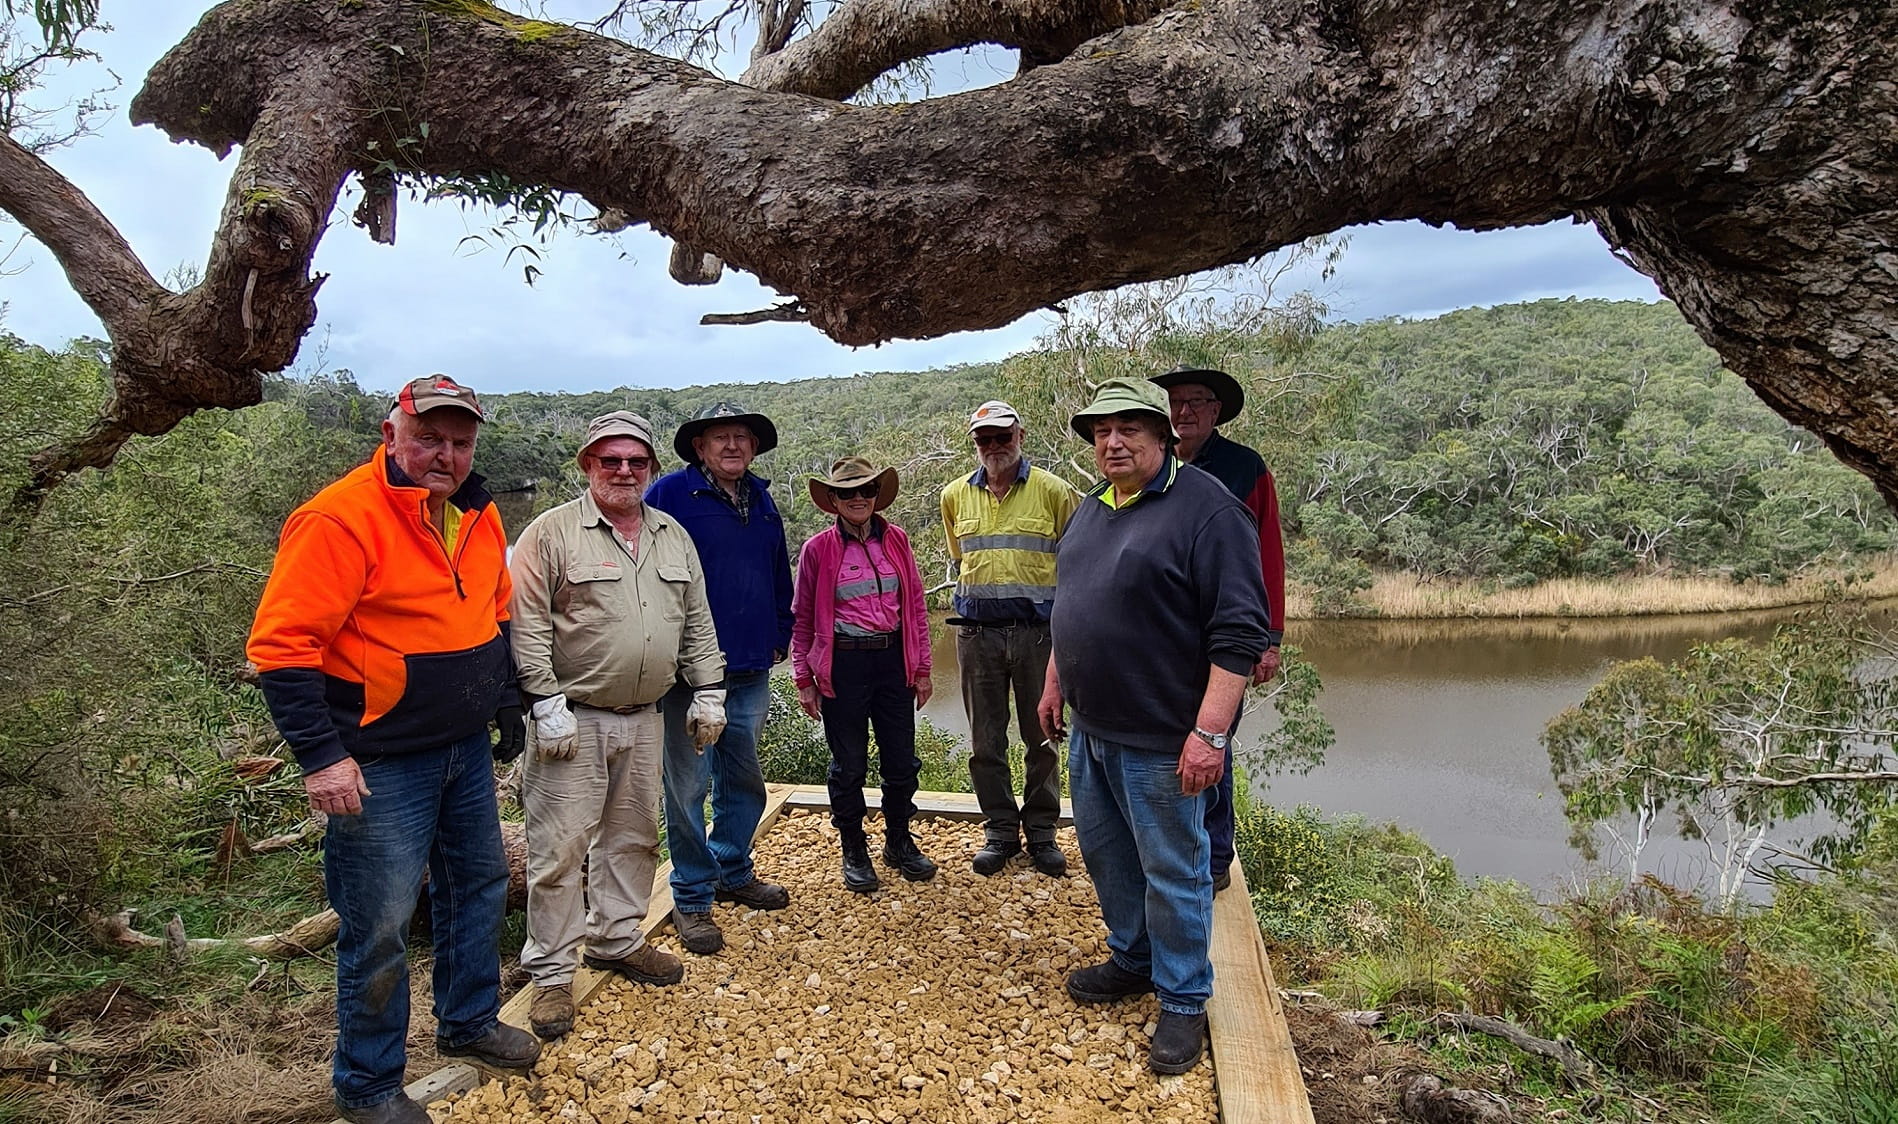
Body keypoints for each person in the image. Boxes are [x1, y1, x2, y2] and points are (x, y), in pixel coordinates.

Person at [246, 375, 540, 1124]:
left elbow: (492, 611)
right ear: (391, 434)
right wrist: (320, 756)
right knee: (377, 924)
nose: (445, 454)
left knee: (475, 887)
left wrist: (503, 698)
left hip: (461, 748)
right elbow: (282, 649)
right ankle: (370, 1084)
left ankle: (468, 1021)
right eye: (429, 438)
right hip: (377, 762)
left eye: (460, 442)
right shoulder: (339, 520)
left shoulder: (476, 511)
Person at [1036, 377, 1271, 1075]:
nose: (1113, 443)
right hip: (1091, 730)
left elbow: (1239, 634)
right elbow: (1070, 601)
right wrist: (1055, 681)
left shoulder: (1208, 510)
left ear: (1162, 435)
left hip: (1166, 739)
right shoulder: (1092, 508)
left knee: (1175, 871)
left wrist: (1210, 735)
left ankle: (1184, 998)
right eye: (1101, 432)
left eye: (1129, 429)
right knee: (1109, 859)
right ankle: (1134, 959)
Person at [508, 411, 728, 1041]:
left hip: (647, 717)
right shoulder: (549, 535)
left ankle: (616, 939)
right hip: (571, 721)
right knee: (559, 851)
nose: (624, 471)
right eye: (610, 460)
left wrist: (708, 690)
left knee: (633, 837)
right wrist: (543, 699)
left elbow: (696, 621)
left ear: (651, 468)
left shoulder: (672, 536)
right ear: (588, 466)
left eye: (636, 461)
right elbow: (527, 626)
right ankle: (551, 974)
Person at [643, 403, 795, 955]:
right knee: (687, 785)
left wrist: (782, 630)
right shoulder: (668, 495)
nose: (733, 445)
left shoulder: (762, 497)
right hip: (687, 672)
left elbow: (778, 571)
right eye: (720, 438)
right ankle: (691, 895)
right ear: (700, 447)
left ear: (754, 448)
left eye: (742, 438)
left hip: (751, 665)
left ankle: (733, 867)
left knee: (743, 776)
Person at [1150, 365, 1286, 894]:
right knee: (1166, 742)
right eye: (1176, 402)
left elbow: (1269, 555)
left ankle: (1215, 858)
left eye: (1196, 402)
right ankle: (1172, 848)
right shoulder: (1151, 464)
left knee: (1214, 741)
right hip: (1166, 636)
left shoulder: (1244, 468)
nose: (1184, 411)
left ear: (1215, 411)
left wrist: (1269, 639)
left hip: (1225, 634)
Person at [939, 400, 1080, 876]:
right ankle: (999, 829)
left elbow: (1078, 567)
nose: (994, 446)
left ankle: (1042, 832)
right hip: (976, 636)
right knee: (985, 740)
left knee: (1043, 736)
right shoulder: (954, 496)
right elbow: (961, 555)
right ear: (974, 443)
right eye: (985, 439)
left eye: (1003, 436)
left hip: (1038, 636)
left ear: (1021, 435)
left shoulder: (1055, 492)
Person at [790, 456, 937, 893]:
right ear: (833, 499)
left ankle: (898, 841)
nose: (858, 499)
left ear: (877, 495)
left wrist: (923, 669)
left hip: (892, 662)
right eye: (847, 492)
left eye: (866, 491)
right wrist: (803, 678)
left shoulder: (897, 541)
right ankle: (853, 848)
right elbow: (801, 621)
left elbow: (914, 608)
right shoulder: (818, 549)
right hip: (845, 666)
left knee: (901, 762)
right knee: (849, 764)